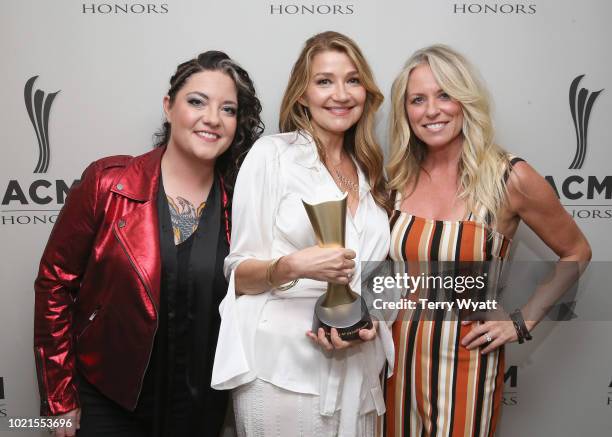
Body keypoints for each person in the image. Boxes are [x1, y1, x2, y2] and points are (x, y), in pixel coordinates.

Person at [34, 51, 264, 437]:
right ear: (169, 106)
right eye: (196, 102)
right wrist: (60, 397)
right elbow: (55, 285)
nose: (212, 118)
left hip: (200, 406)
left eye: (228, 109)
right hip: (109, 399)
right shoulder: (109, 183)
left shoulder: (241, 202)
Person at [382, 45, 591, 436]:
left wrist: (522, 322)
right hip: (394, 361)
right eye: (418, 99)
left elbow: (577, 251)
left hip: (468, 358)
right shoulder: (395, 179)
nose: (432, 110)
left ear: (466, 100)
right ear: (405, 111)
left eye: (445, 94)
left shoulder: (509, 178)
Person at [211, 31, 392, 436]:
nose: (340, 94)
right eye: (324, 81)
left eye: (353, 80)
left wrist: (373, 322)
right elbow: (238, 273)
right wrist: (293, 265)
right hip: (282, 373)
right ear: (301, 95)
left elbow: (379, 277)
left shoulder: (371, 173)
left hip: (359, 373)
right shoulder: (273, 156)